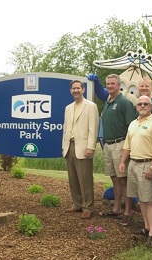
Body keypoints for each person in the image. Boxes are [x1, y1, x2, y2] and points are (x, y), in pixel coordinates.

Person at [88, 74, 137, 226]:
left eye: (112, 84)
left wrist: (127, 150)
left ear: (118, 85)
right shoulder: (108, 101)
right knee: (114, 178)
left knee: (123, 179)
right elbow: (100, 91)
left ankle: (128, 211)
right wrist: (96, 82)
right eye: (107, 84)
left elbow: (131, 127)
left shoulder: (124, 102)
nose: (109, 86)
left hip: (120, 144)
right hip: (108, 145)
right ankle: (116, 209)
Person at [119, 95, 152, 247]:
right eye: (140, 104)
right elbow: (127, 145)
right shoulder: (133, 123)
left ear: (151, 107)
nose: (143, 105)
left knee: (150, 200)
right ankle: (146, 227)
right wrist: (123, 161)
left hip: (147, 164)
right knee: (141, 199)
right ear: (136, 107)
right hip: (133, 163)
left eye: (146, 103)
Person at [62, 80, 99, 219]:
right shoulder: (68, 108)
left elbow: (93, 128)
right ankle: (77, 203)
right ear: (70, 90)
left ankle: (88, 207)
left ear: (83, 90)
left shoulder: (91, 106)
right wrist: (63, 146)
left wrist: (91, 147)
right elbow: (66, 128)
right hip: (69, 146)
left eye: (78, 88)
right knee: (73, 178)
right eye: (73, 88)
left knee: (85, 178)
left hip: (84, 147)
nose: (76, 90)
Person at [88, 74, 152, 121]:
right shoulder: (136, 103)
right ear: (138, 87)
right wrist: (96, 83)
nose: (144, 88)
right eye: (141, 86)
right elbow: (103, 93)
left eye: (147, 86)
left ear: (151, 88)